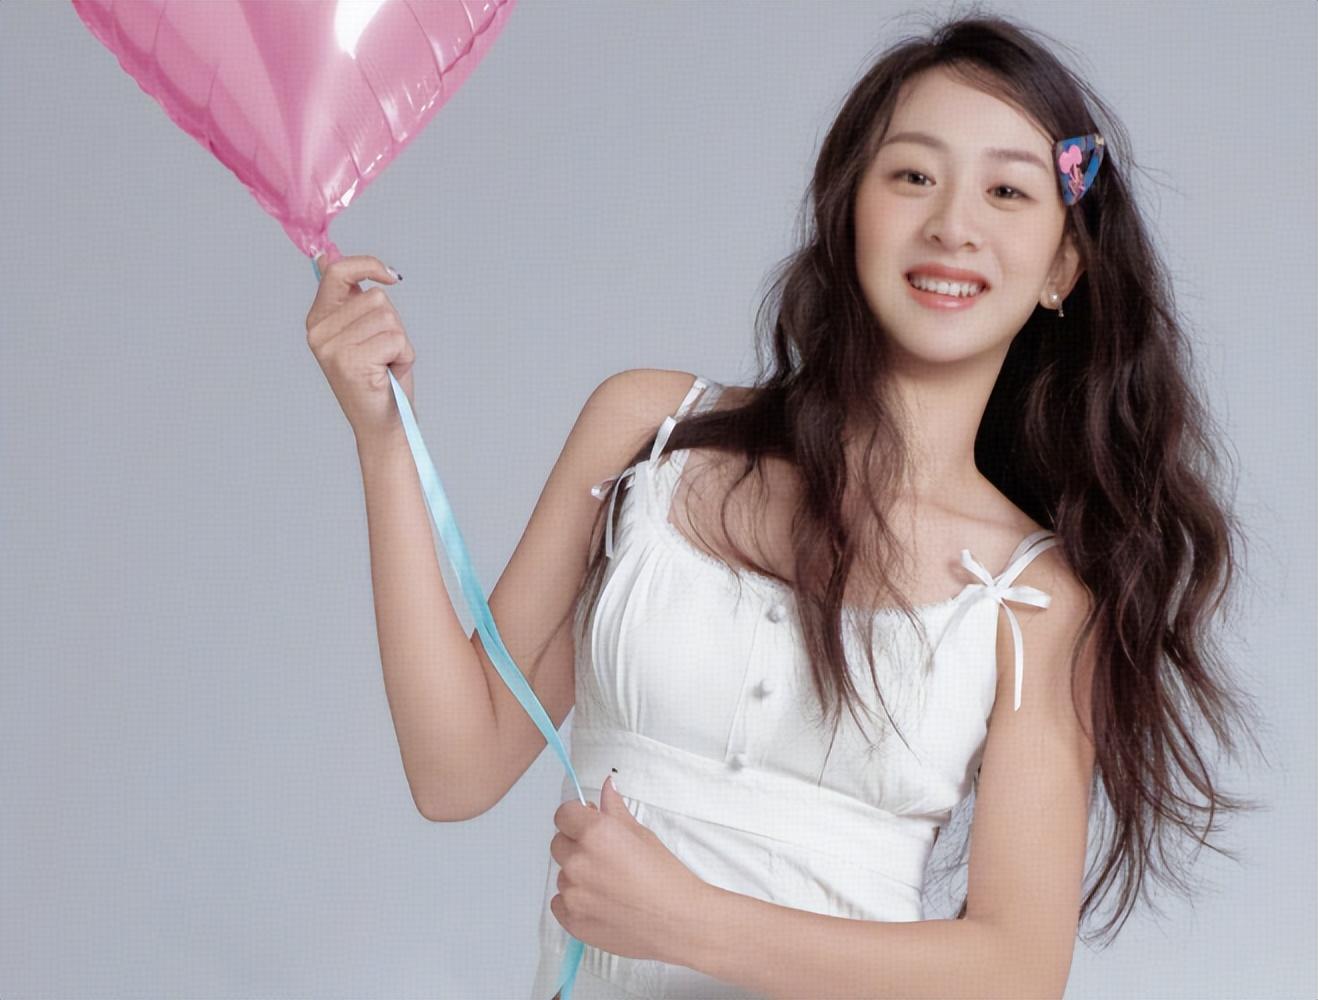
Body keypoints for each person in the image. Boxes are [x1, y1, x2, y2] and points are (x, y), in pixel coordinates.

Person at [304, 11, 1267, 999]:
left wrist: (689, 922)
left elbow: (1016, 970)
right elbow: (456, 768)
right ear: (849, 210)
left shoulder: (1034, 599)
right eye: (913, 175)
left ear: (1063, 267)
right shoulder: (650, 435)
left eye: (1008, 191)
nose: (953, 224)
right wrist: (383, 441)